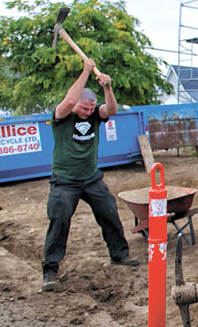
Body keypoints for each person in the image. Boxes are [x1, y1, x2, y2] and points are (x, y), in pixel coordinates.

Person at [42, 59, 138, 293]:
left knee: (109, 212)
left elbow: (111, 110)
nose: (87, 112)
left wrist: (107, 88)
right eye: (84, 108)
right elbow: (70, 101)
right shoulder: (62, 116)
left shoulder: (95, 114)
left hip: (91, 178)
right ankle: (50, 270)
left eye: (90, 108)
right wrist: (86, 71)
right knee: (59, 220)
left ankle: (119, 255)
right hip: (65, 180)